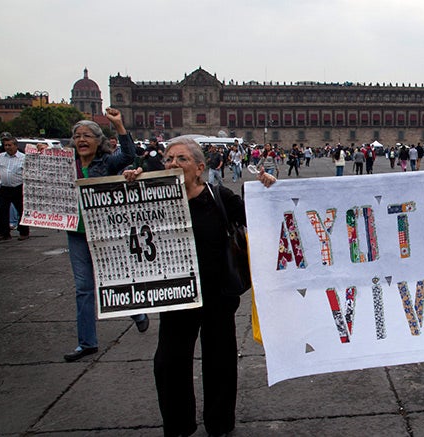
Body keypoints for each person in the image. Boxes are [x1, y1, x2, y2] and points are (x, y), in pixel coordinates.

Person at [145, 136, 274, 437]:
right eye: (168, 159)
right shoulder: (155, 199)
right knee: (169, 364)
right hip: (176, 294)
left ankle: (219, 424)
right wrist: (129, 183)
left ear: (200, 167)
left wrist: (267, 190)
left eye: (182, 159)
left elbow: (257, 218)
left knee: (220, 362)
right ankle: (178, 425)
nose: (173, 164)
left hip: (218, 294)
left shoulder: (219, 197)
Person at [61, 108, 150, 362]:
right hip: (76, 232)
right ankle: (87, 342)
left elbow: (130, 155)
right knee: (84, 288)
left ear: (98, 141)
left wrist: (119, 125)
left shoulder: (107, 163)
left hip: (105, 231)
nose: (81, 139)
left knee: (115, 279)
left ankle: (137, 312)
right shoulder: (66, 165)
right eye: (77, 135)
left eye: (87, 135)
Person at [0, 132, 29, 241]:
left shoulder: (23, 157)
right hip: (5, 187)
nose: (7, 147)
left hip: (18, 187)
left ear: (15, 146)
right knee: (2, 211)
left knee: (21, 210)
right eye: (5, 145)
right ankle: (4, 233)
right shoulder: (1, 157)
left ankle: (24, 232)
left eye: (9, 145)